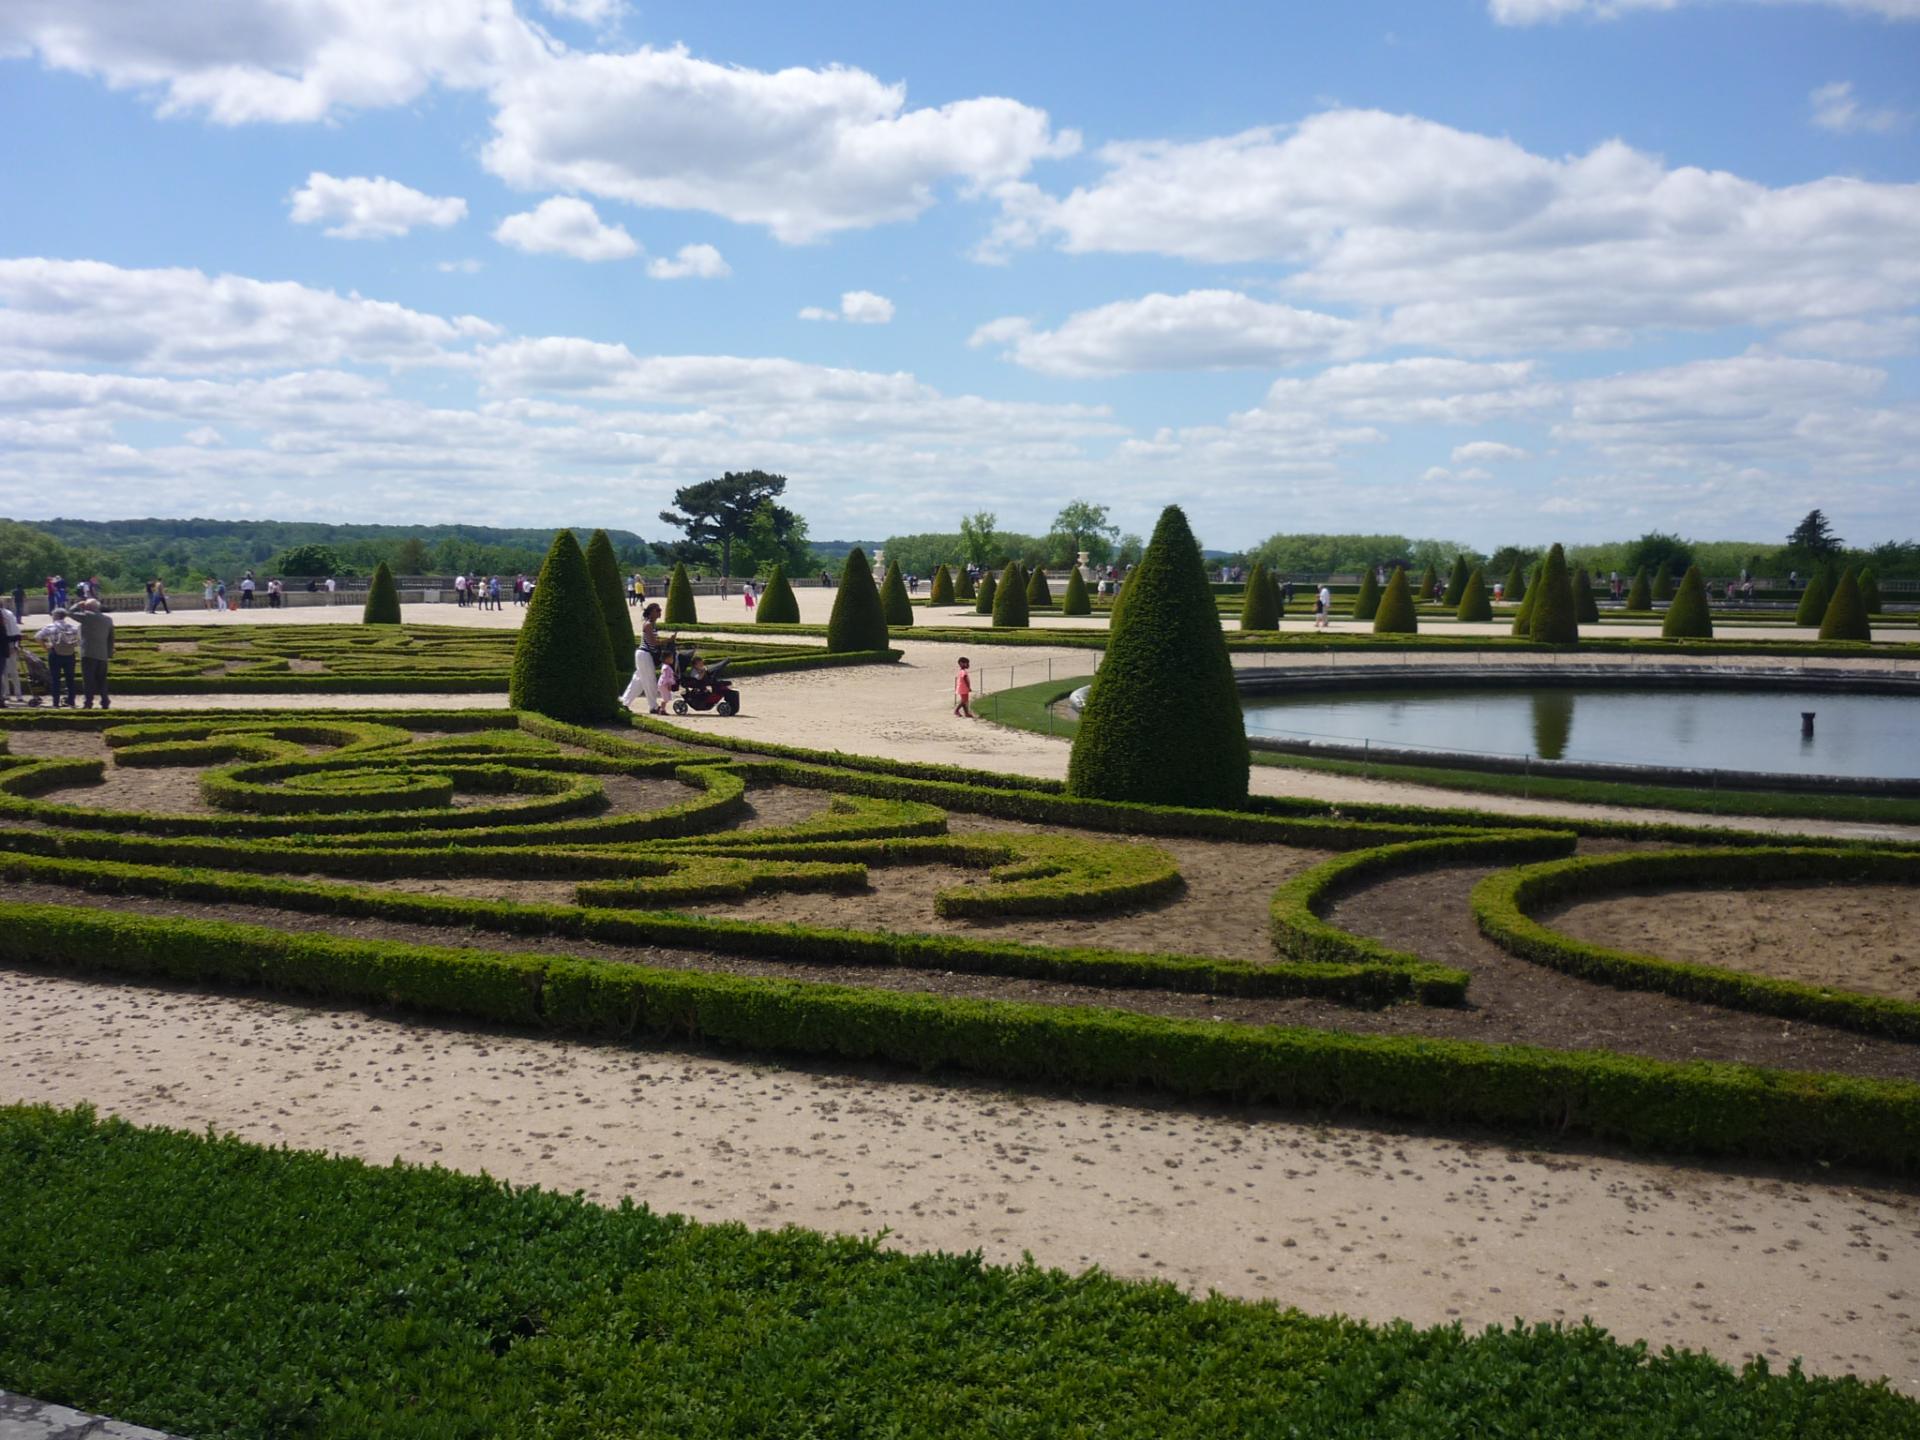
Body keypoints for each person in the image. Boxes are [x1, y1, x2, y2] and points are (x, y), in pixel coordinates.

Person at [619, 602, 665, 714]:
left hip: (643, 655)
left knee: (638, 681)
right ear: (651, 612)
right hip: (644, 654)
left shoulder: (651, 624)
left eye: (660, 610)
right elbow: (653, 642)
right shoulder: (648, 624)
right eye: (657, 610)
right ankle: (653, 706)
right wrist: (668, 641)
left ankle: (624, 702)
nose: (659, 612)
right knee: (650, 680)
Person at [35, 606, 80, 707]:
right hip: (70, 655)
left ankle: (55, 703)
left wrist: (46, 647)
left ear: (55, 616)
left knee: (55, 679)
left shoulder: (50, 626)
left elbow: (37, 637)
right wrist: (72, 645)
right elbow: (81, 639)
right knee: (70, 679)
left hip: (55, 654)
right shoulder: (72, 627)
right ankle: (71, 702)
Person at [75, 598, 114, 709]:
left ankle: (88, 702)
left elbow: (69, 612)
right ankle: (105, 701)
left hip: (88, 653)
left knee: (88, 680)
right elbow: (111, 638)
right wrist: (109, 653)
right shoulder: (108, 619)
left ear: (88, 607)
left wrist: (78, 604)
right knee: (102, 679)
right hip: (102, 654)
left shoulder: (86, 616)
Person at [0, 596, 22, 707]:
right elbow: (16, 632)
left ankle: (6, 694)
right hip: (11, 644)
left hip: (6, 644)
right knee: (12, 671)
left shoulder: (6, 614)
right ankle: (17, 694)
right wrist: (16, 644)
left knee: (4, 672)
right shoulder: (9, 613)